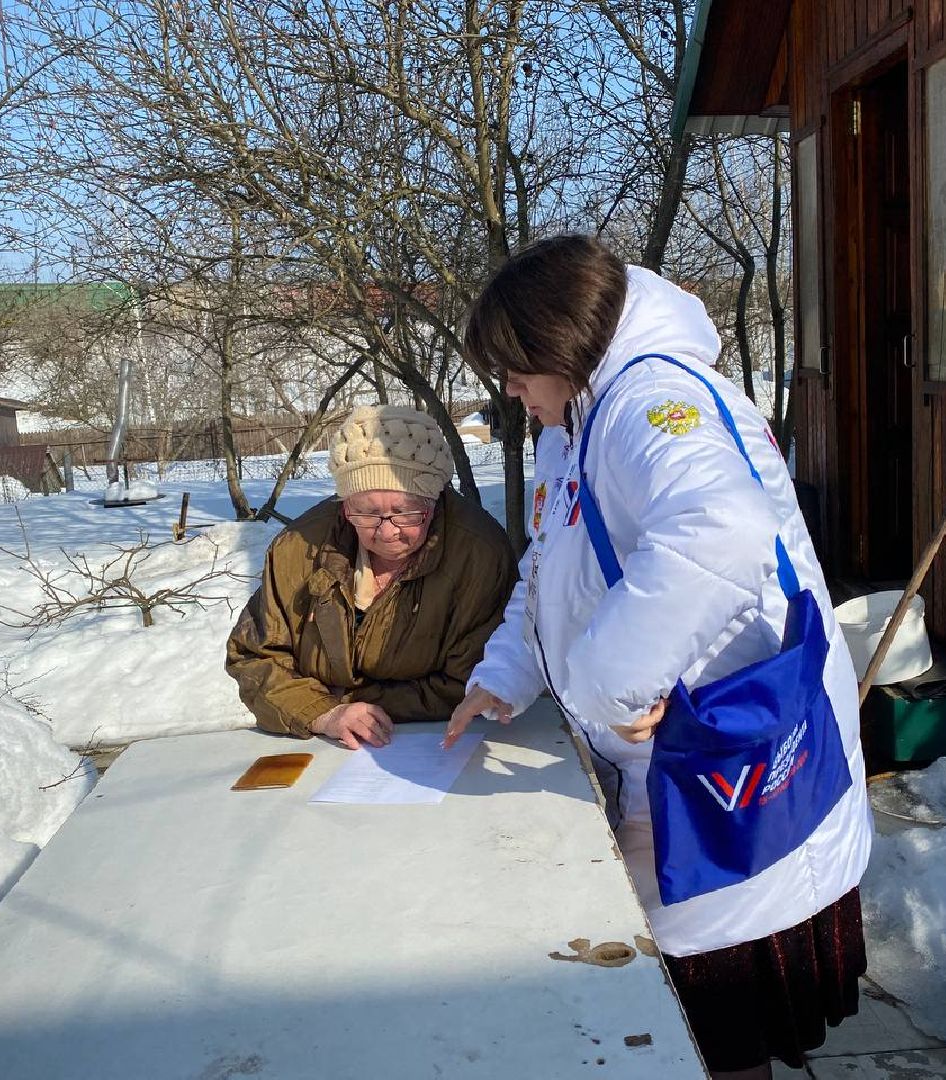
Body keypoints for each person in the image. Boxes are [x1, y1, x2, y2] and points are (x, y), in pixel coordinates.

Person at [445, 236, 873, 1078]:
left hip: (723, 756)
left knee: (719, 1016)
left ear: (556, 347)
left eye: (513, 367)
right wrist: (506, 674)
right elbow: (552, 564)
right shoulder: (578, 421)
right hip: (681, 757)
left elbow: (721, 529)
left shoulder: (650, 401)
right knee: (700, 1002)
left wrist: (608, 686)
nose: (508, 389)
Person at [227, 405, 517, 749]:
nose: (386, 531)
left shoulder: (478, 553)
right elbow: (254, 657)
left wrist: (349, 702)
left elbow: (474, 681)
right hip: (321, 746)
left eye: (405, 512)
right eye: (366, 512)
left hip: (440, 746)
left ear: (434, 501)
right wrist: (323, 712)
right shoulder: (298, 548)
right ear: (344, 505)